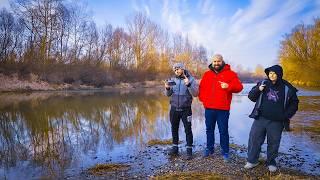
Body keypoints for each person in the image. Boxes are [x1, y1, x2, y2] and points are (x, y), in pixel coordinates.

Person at [244, 65, 299, 172]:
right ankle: (252, 160)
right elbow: (251, 97)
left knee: (273, 142)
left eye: (274, 73)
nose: (272, 75)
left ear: (279, 74)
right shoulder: (263, 83)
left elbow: (294, 103)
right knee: (254, 139)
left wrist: (286, 115)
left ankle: (271, 162)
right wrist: (258, 89)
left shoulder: (287, 87)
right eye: (270, 73)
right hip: (260, 118)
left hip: (277, 121)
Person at [198, 54, 243, 162]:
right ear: (212, 62)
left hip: (223, 109)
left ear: (222, 61)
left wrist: (229, 87)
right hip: (209, 108)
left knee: (223, 131)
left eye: (218, 61)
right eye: (214, 61)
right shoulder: (207, 74)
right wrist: (204, 100)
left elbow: (240, 87)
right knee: (209, 130)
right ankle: (209, 149)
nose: (216, 63)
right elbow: (201, 89)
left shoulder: (230, 74)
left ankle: (225, 151)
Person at [165, 62, 198, 160]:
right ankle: (175, 148)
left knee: (188, 129)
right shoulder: (172, 80)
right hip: (174, 108)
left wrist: (188, 84)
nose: (176, 71)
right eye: (175, 70)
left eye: (178, 69)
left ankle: (189, 151)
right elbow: (168, 94)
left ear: (183, 69)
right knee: (174, 128)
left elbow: (196, 93)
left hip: (186, 109)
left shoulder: (191, 79)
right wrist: (167, 88)